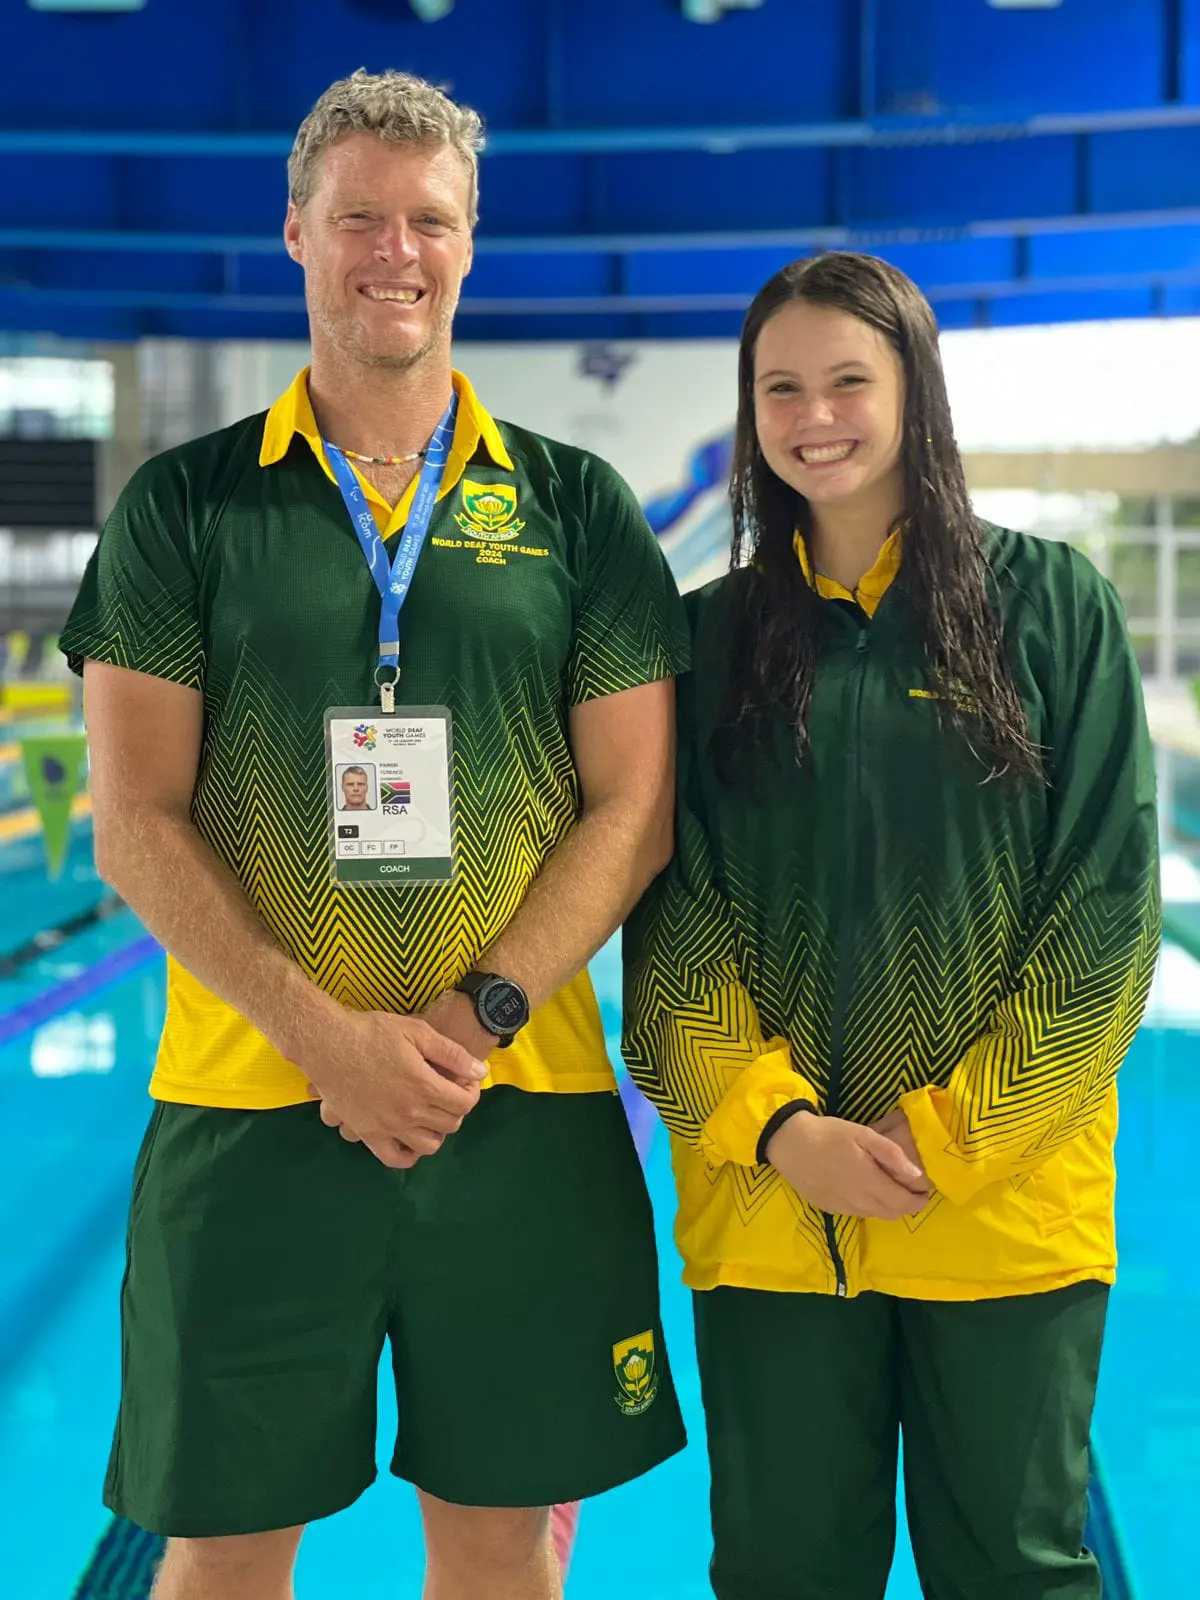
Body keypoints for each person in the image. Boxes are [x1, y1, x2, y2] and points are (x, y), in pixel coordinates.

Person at [61, 67, 687, 1600]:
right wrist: (324, 1038)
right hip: (250, 1109)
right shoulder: (186, 507)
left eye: (428, 220)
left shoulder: (576, 508)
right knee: (221, 1549)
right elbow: (132, 821)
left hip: (520, 1108)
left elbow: (637, 809)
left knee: (500, 1547)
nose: (394, 252)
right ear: (297, 233)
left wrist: (467, 1025)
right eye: (359, 218)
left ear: (470, 241)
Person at [623, 251, 1161, 1600]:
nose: (816, 416)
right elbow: (668, 936)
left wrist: (951, 1134)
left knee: (1017, 1573)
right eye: (781, 388)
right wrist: (779, 1130)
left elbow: (1106, 918)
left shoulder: (1052, 609)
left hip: (1003, 1214)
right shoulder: (708, 642)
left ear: (916, 390)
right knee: (783, 1573)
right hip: (774, 1216)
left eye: (849, 380)